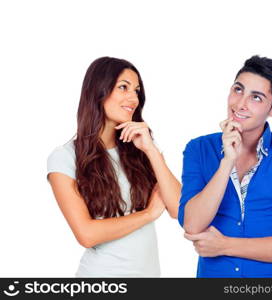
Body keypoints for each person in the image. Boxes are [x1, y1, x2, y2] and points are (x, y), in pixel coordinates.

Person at [179, 55, 272, 278]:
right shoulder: (198, 149)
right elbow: (192, 224)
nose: (240, 104)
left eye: (256, 97)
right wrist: (227, 162)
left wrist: (224, 246)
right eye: (238, 90)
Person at [47, 57, 180, 277]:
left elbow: (178, 208)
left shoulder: (142, 147)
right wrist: (148, 214)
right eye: (123, 87)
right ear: (98, 91)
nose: (134, 98)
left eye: (136, 90)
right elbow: (86, 234)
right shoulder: (65, 157)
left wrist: (151, 151)